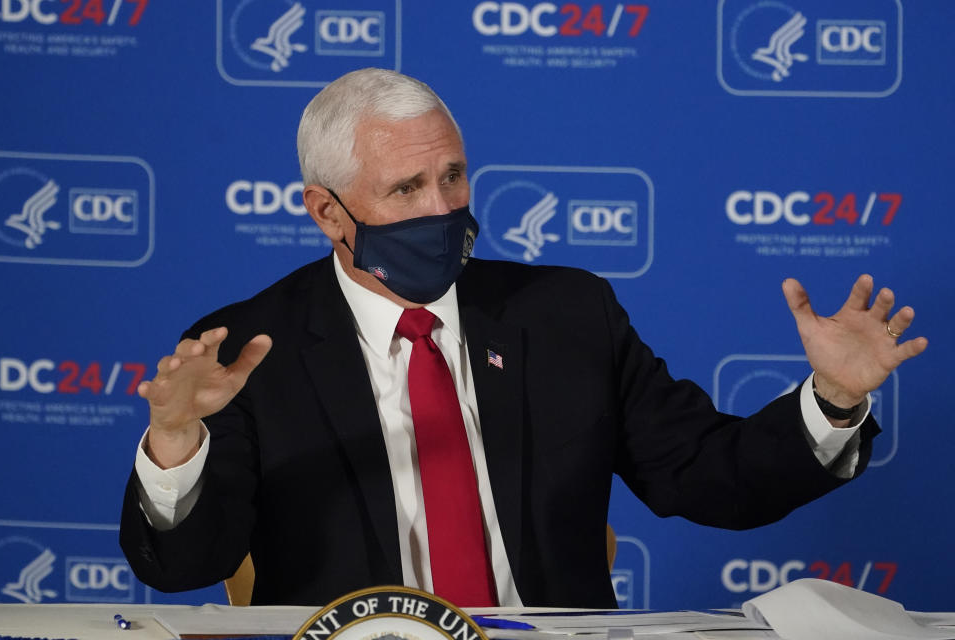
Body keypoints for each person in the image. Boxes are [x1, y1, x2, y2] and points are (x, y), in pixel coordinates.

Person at [119, 68, 927, 608]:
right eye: (406, 188)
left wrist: (834, 398)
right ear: (328, 213)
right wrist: (176, 441)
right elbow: (187, 565)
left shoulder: (567, 313)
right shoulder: (252, 350)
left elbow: (709, 477)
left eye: (454, 176)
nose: (443, 209)